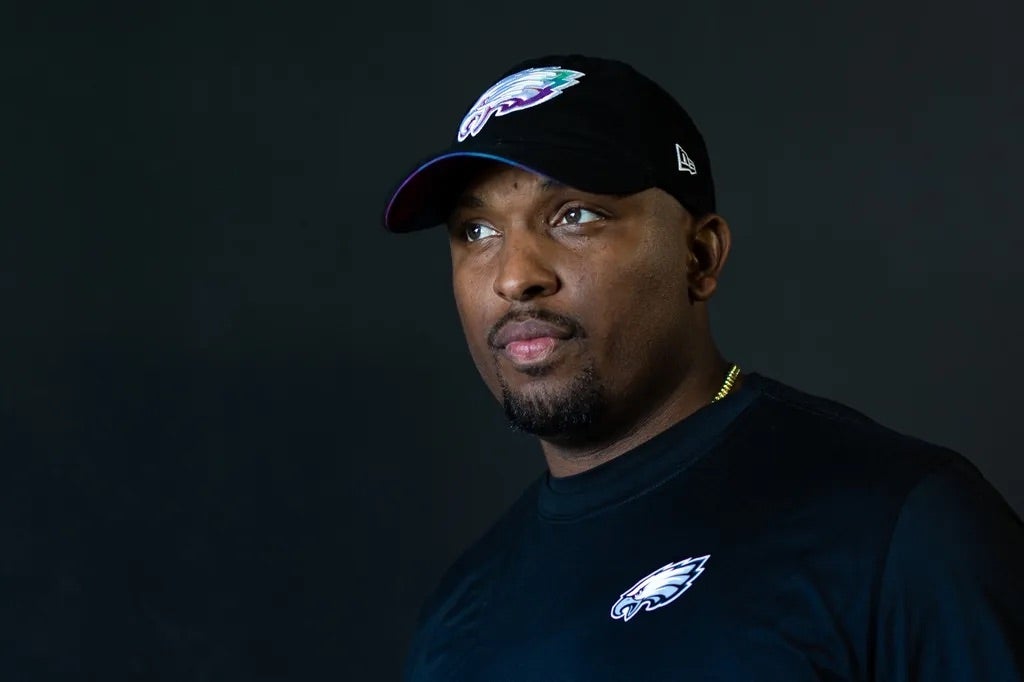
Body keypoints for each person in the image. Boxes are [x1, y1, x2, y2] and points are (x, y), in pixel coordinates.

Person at [381, 54, 1024, 681]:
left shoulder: (900, 528)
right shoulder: (460, 613)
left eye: (575, 216)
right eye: (476, 232)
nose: (516, 276)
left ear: (700, 256)